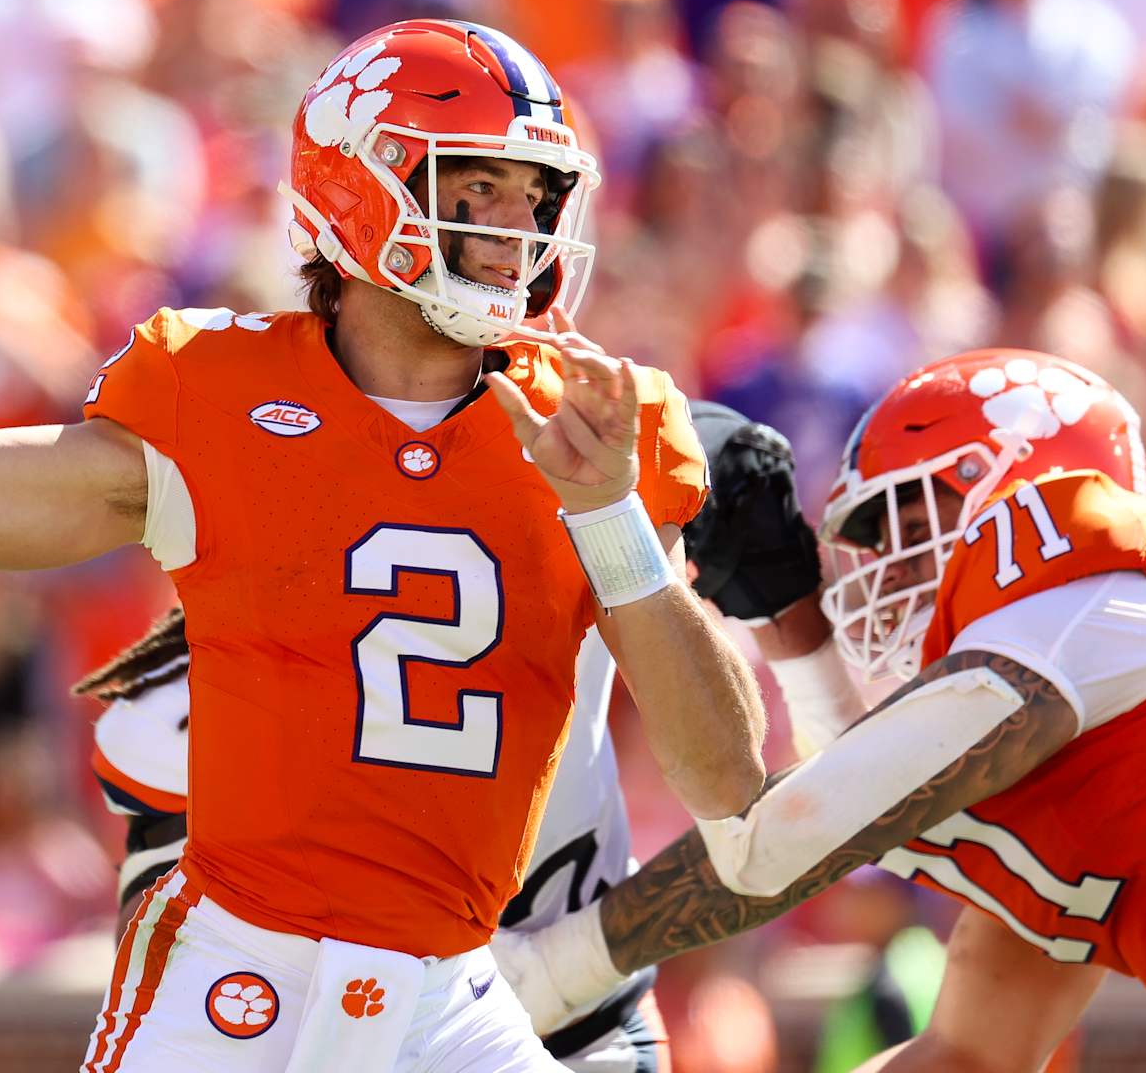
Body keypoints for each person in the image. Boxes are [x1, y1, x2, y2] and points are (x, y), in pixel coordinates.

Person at [0, 17, 766, 1072]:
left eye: (535, 196)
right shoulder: (217, 393)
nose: (514, 229)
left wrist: (613, 521)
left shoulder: (595, 428)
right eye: (477, 189)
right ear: (361, 186)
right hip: (232, 983)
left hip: (451, 996)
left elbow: (727, 780)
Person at [494, 348, 1146, 1067]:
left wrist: (558, 972)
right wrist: (787, 619)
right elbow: (966, 1056)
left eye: (916, 532)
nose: (891, 574)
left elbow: (787, 842)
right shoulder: (1084, 770)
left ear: (1019, 493)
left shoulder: (1111, 590)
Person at [73, 398, 829, 1072]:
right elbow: (184, 989)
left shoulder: (588, 512)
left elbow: (763, 812)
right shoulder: (189, 704)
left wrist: (566, 965)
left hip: (579, 1025)